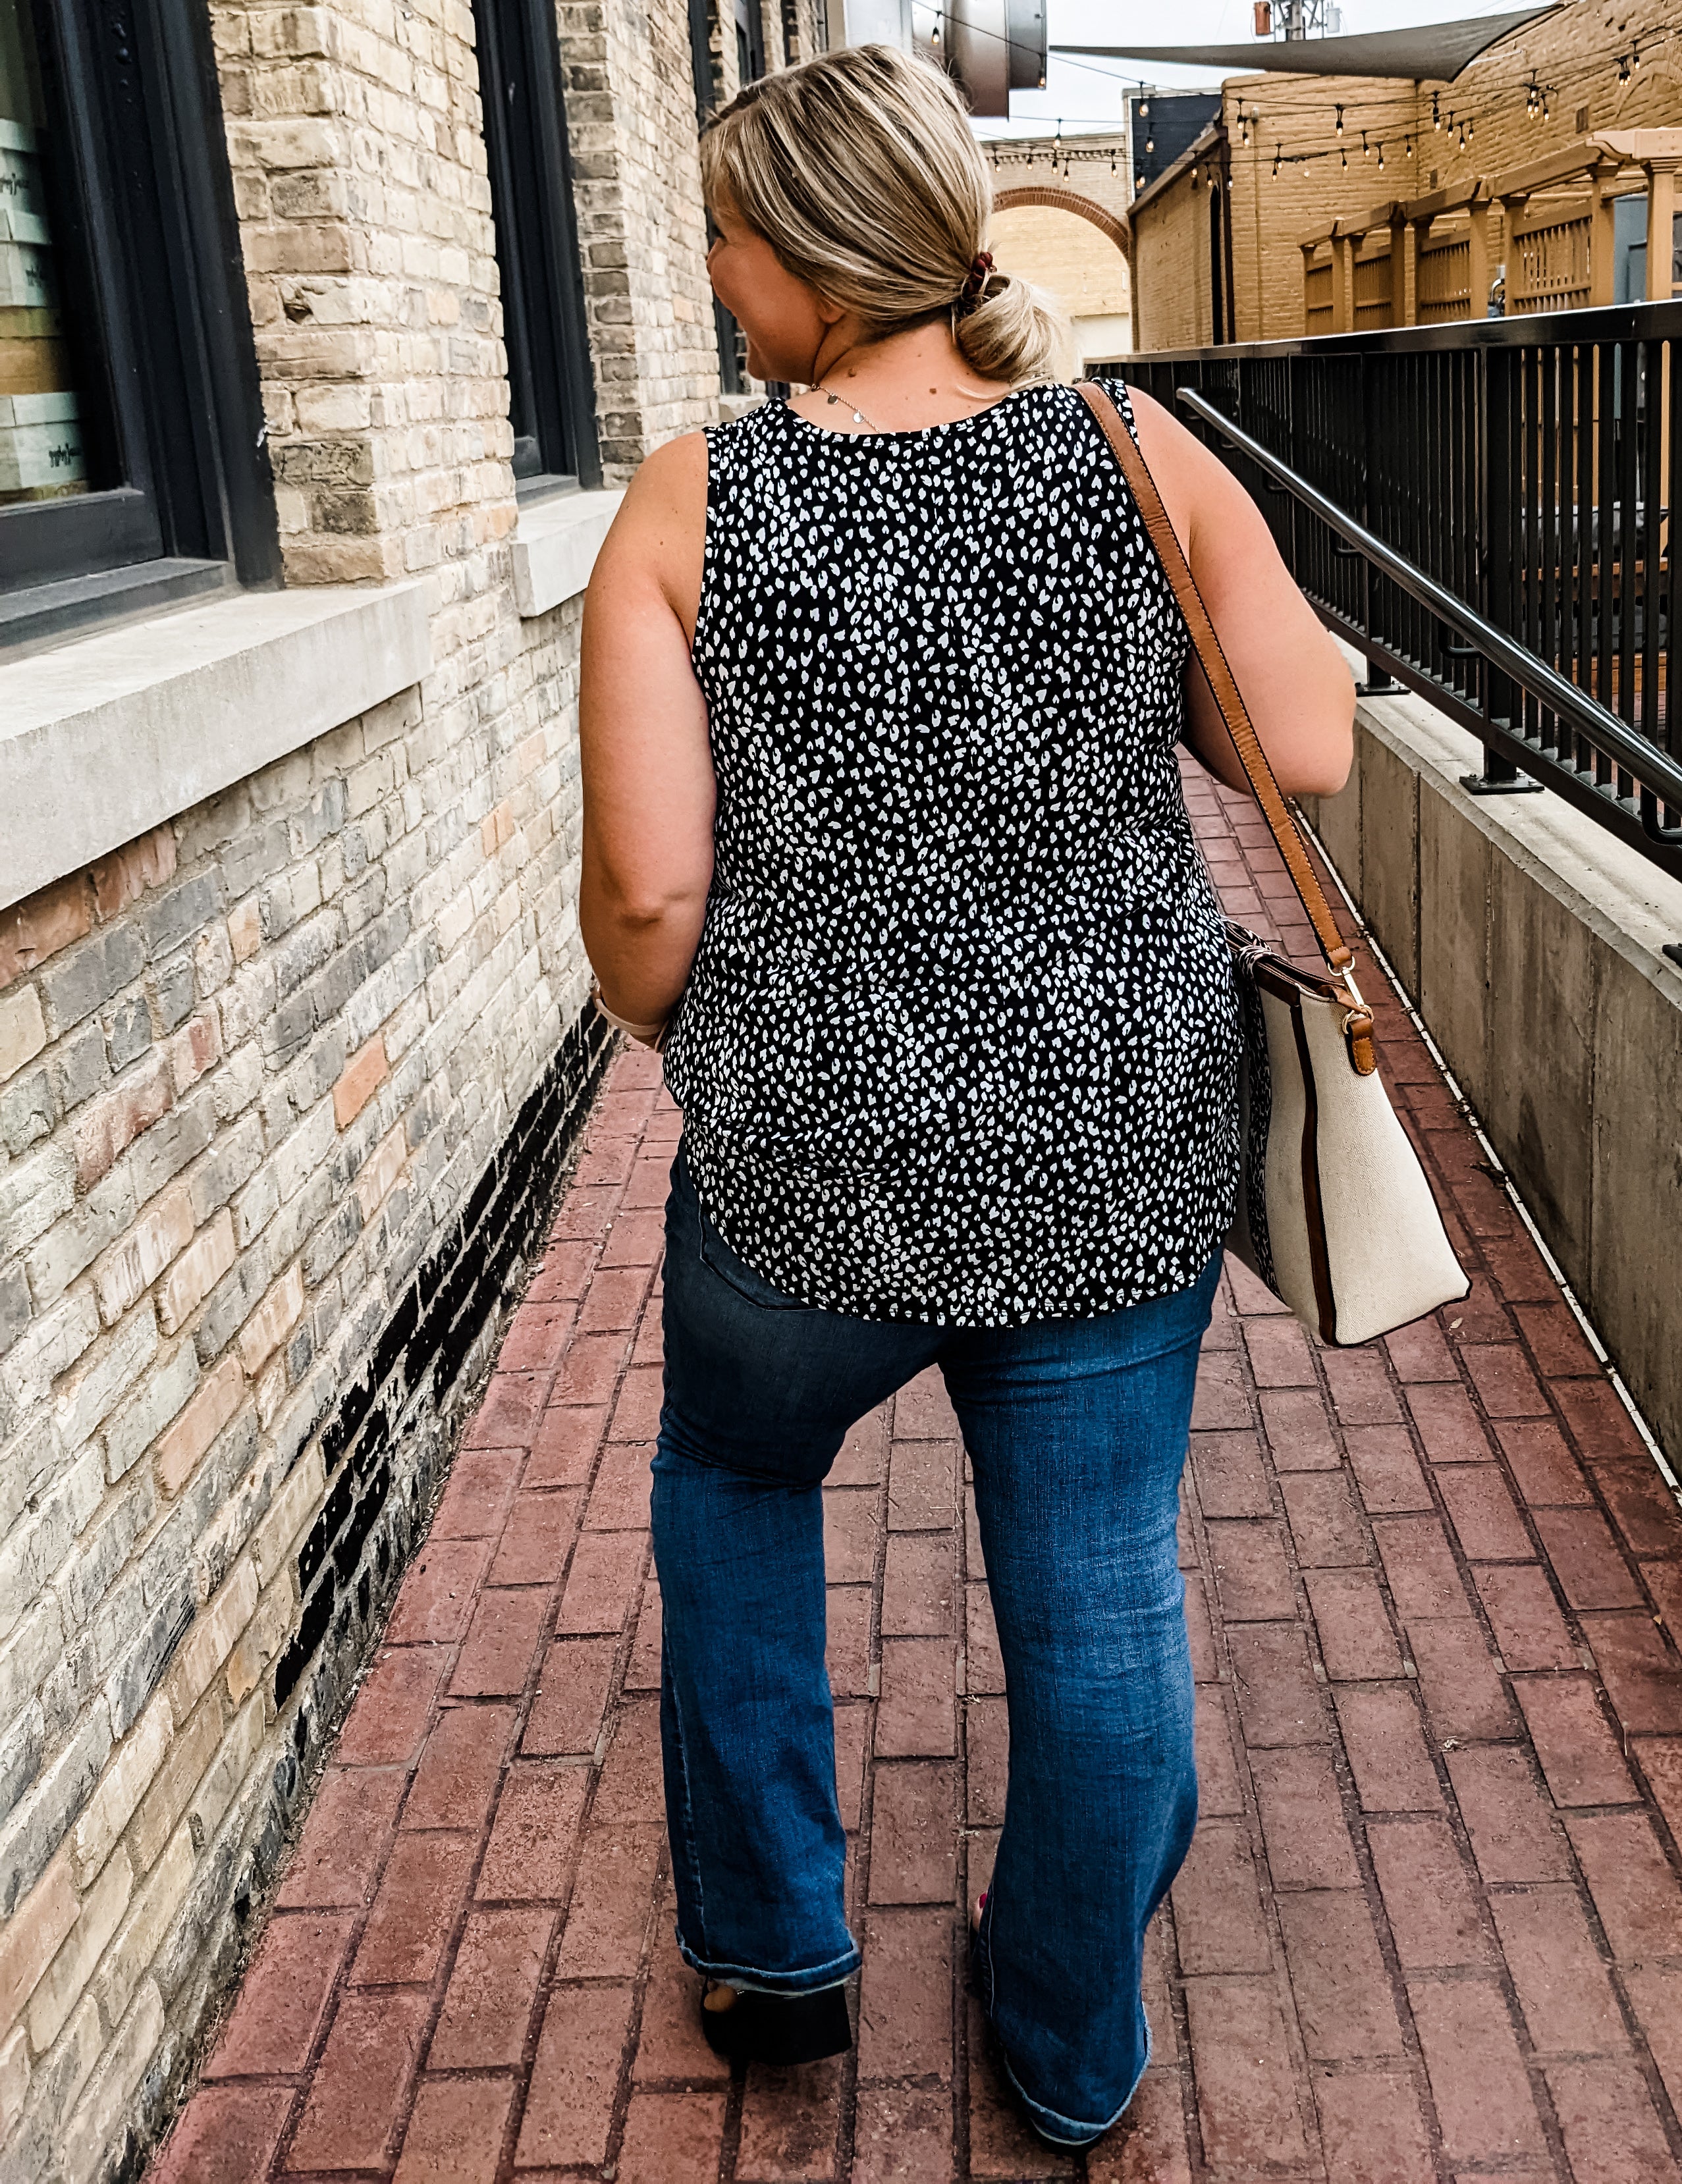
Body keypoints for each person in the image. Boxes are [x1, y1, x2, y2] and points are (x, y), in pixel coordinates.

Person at [578, 43, 1353, 2151]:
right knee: (1098, 1588)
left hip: (801, 1168)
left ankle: (772, 1958)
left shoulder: (694, 498)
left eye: (729, 236)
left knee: (736, 1500)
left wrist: (701, 1035)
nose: (720, 277)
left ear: (814, 256)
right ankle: (1068, 2038)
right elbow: (1305, 749)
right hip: (1109, 1153)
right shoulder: (1128, 452)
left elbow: (650, 894)